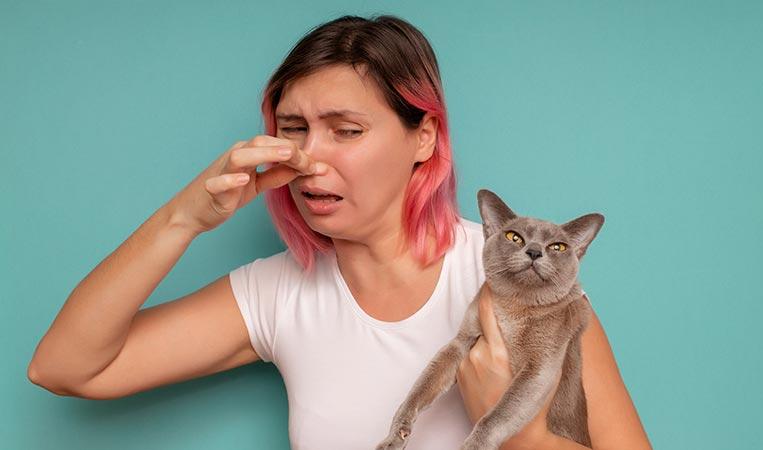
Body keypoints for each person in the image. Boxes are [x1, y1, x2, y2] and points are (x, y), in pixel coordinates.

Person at [27, 14, 651, 450]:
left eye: (345, 130)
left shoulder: (518, 283)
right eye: (293, 128)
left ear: (423, 138)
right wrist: (183, 219)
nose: (309, 159)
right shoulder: (277, 295)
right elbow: (66, 368)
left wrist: (525, 439)